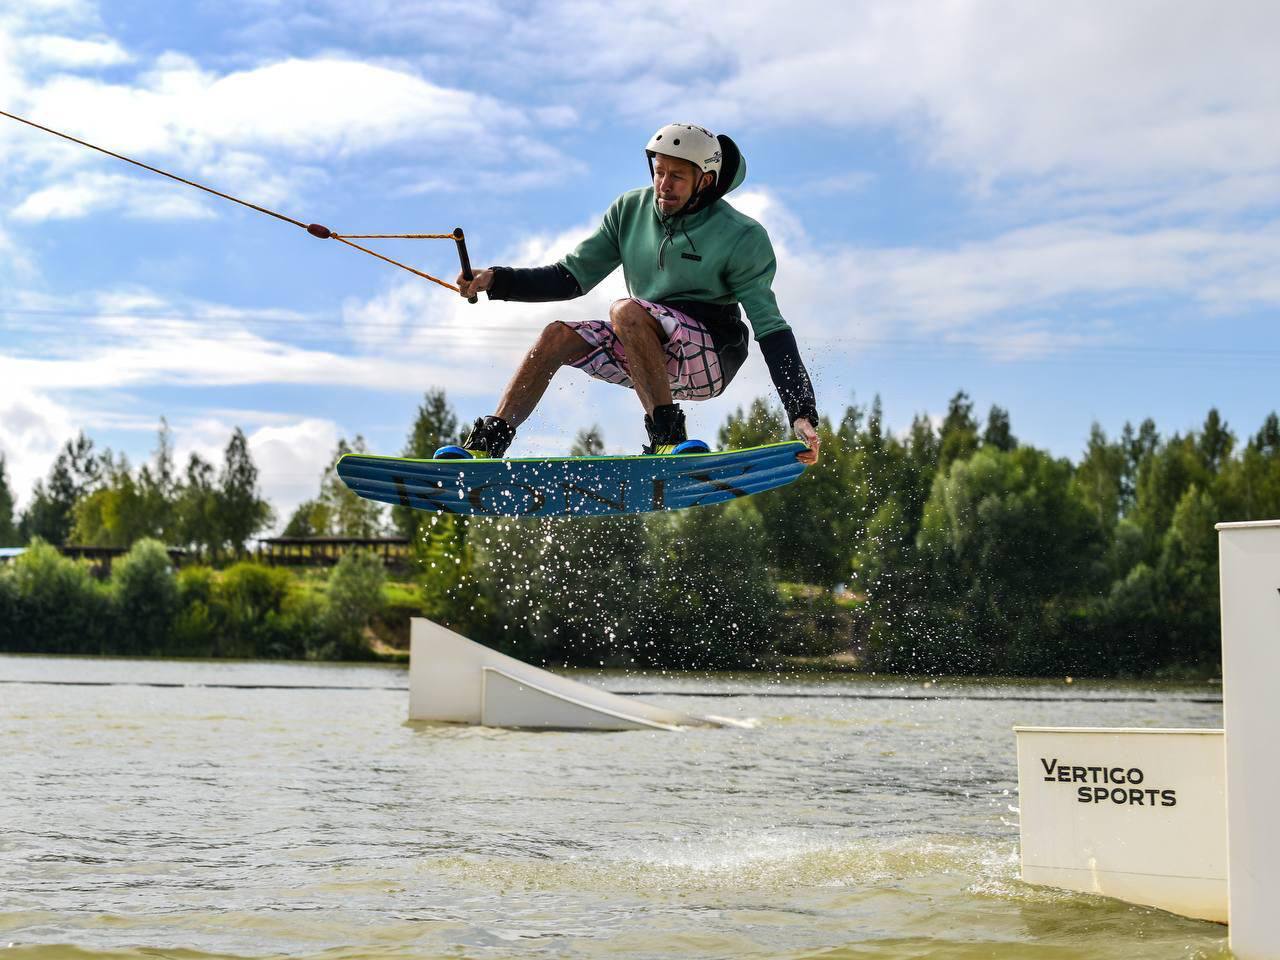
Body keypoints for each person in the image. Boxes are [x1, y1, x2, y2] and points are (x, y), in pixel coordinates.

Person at [441, 122, 820, 465]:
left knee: (626, 311)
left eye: (677, 177)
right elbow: (570, 277)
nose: (664, 185)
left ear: (705, 181)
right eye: (659, 173)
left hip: (711, 356)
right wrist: (495, 280)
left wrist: (801, 411)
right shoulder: (630, 210)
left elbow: (770, 328)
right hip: (646, 353)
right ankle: (488, 443)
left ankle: (668, 438)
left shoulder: (742, 235)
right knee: (556, 335)